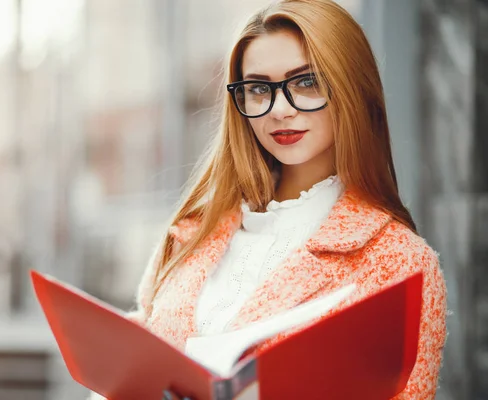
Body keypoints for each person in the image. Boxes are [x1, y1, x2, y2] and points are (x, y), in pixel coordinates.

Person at [92, 0, 447, 399]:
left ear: (351, 87)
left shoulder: (399, 261)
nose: (279, 110)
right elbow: (137, 353)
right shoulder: (192, 229)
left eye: (306, 82)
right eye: (259, 89)